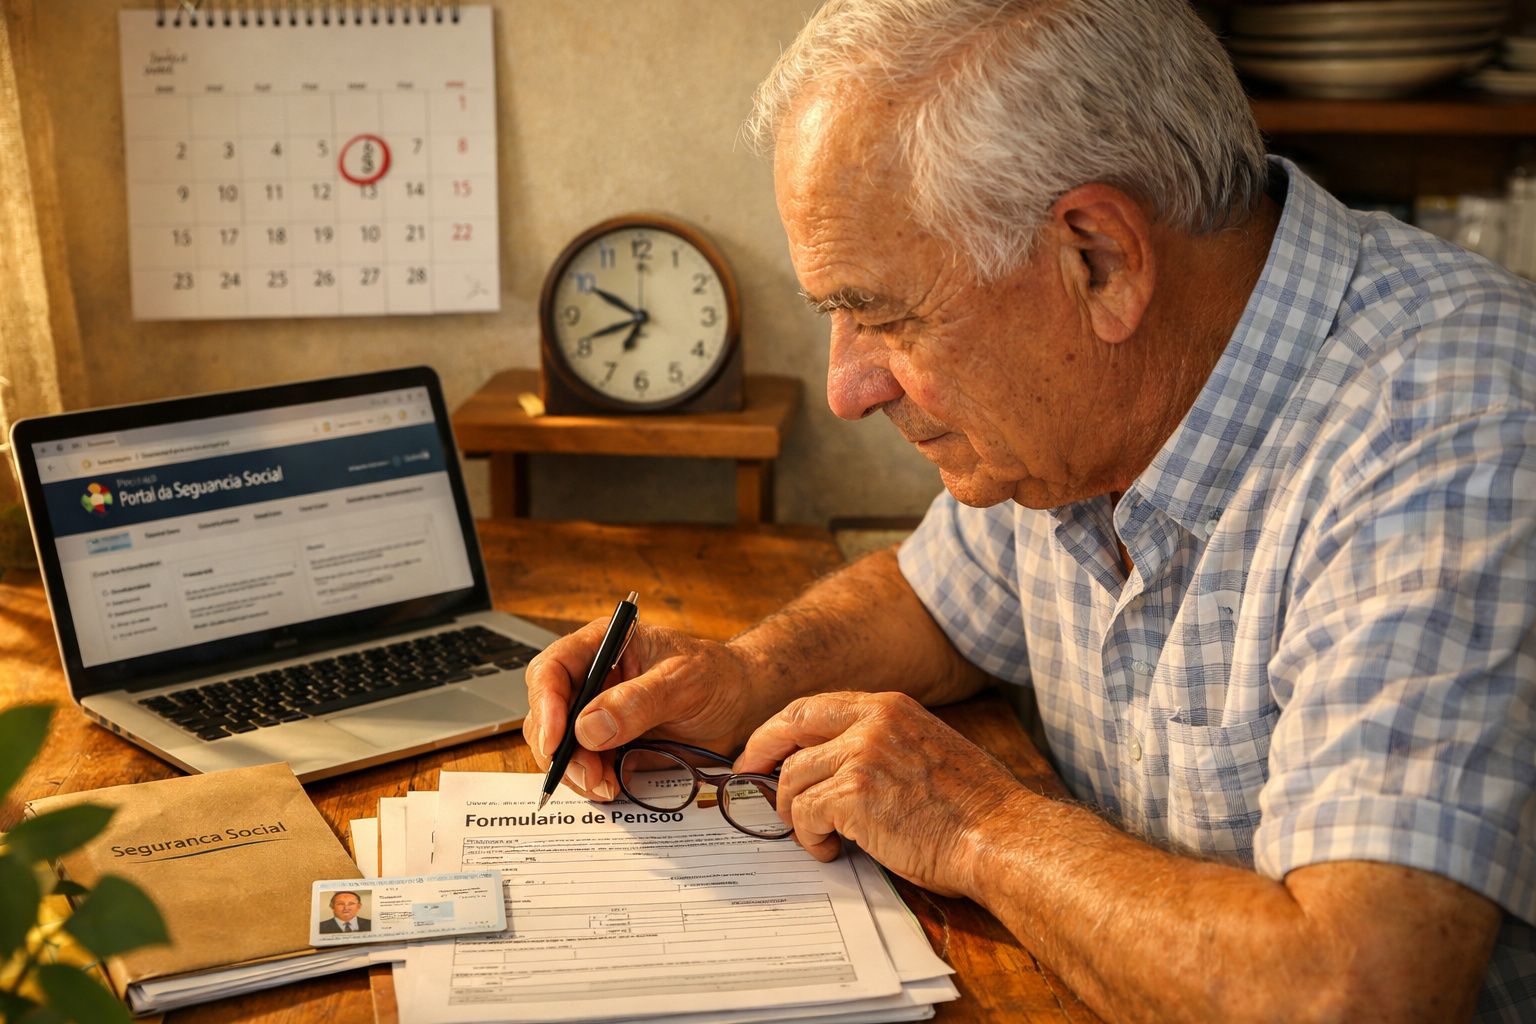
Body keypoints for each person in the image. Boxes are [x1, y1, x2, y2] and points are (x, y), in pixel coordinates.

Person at [523, 1, 1535, 1019]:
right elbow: (936, 603)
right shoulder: (1079, 402)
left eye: (883, 314)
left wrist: (975, 824)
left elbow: (1351, 992)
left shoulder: (1449, 424)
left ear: (1098, 258)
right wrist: (746, 673)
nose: (847, 388)